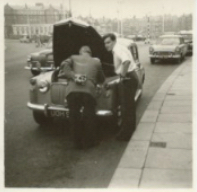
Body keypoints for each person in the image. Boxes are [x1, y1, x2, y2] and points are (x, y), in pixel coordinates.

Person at [58, 45, 105, 149]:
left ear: (80, 52)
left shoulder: (73, 57)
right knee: (89, 117)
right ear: (90, 53)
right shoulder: (96, 61)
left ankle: (77, 143)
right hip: (88, 92)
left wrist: (74, 76)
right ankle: (90, 142)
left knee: (74, 117)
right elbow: (101, 78)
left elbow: (63, 64)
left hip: (72, 92)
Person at [103, 33, 138, 141]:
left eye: (108, 42)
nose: (106, 45)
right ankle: (129, 130)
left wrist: (121, 78)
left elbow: (126, 61)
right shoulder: (118, 49)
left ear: (114, 41)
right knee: (128, 107)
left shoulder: (117, 49)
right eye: (105, 43)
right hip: (130, 77)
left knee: (126, 108)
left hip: (128, 78)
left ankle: (125, 135)